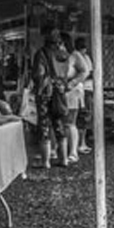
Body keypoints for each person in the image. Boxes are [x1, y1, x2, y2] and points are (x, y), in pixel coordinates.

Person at [31, 26, 71, 169]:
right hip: (60, 93)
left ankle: (45, 161)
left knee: (44, 126)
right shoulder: (64, 54)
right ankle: (64, 159)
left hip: (45, 94)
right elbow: (68, 74)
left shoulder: (41, 54)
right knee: (60, 125)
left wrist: (41, 83)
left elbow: (38, 74)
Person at [61, 32, 89, 164]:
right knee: (59, 122)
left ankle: (73, 152)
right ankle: (59, 150)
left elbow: (85, 71)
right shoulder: (57, 56)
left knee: (70, 122)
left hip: (72, 92)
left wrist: (71, 83)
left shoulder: (75, 55)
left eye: (60, 43)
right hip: (59, 92)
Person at [72, 37, 93, 154]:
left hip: (87, 88)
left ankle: (82, 142)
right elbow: (86, 73)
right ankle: (80, 143)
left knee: (85, 116)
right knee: (82, 116)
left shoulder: (85, 57)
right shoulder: (76, 57)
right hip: (83, 89)